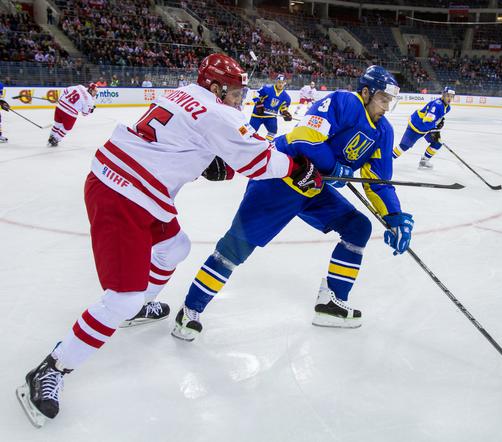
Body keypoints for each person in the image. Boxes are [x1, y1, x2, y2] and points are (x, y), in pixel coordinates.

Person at [16, 53, 322, 428]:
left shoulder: (182, 94)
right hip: (124, 194)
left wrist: (209, 159)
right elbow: (259, 164)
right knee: (121, 298)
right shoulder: (217, 112)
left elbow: (186, 140)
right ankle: (52, 368)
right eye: (235, 91)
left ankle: (142, 305)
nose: (240, 98)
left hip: (136, 187)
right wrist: (298, 169)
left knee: (175, 247)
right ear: (215, 86)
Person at [172, 65, 414, 341]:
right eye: (383, 99)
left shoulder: (382, 132)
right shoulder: (344, 102)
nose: (386, 106)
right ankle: (190, 311)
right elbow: (305, 138)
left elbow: (378, 180)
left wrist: (393, 216)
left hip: (312, 186)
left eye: (390, 101)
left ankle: (331, 304)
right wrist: (334, 166)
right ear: (367, 92)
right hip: (281, 178)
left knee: (358, 227)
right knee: (235, 247)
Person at [392, 86, 454, 170]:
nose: (449, 98)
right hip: (416, 125)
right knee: (404, 146)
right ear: (443, 95)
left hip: (425, 128)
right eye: (448, 95)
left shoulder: (448, 107)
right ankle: (387, 160)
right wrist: (434, 129)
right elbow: (427, 121)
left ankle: (424, 161)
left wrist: (439, 122)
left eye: (451, 96)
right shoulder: (437, 105)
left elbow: (435, 118)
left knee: (437, 143)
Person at [47, 83, 98, 147]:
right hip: (70, 114)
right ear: (90, 90)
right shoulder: (89, 99)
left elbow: (65, 90)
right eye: (95, 91)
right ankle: (55, 140)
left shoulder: (80, 86)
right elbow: (84, 113)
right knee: (66, 128)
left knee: (57, 124)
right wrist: (90, 110)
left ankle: (51, 137)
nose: (95, 93)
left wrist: (61, 99)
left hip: (59, 107)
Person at [249, 74, 292, 141]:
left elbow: (283, 108)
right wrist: (258, 104)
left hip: (270, 117)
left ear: (285, 83)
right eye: (279, 82)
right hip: (257, 115)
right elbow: (256, 94)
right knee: (250, 132)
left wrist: (285, 113)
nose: (280, 84)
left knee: (273, 131)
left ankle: (266, 144)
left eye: (282, 83)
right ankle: (251, 144)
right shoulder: (267, 88)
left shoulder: (286, 97)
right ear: (276, 82)